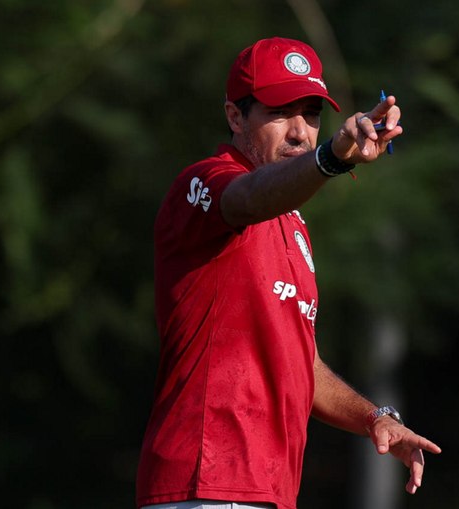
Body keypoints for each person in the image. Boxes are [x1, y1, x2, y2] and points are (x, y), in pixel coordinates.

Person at [135, 37, 441, 509]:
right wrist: (332, 157)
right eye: (280, 113)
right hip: (208, 481)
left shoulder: (292, 221)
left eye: (312, 115)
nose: (301, 132)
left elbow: (302, 362)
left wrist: (374, 417)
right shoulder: (205, 182)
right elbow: (247, 197)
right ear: (235, 117)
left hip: (266, 488)